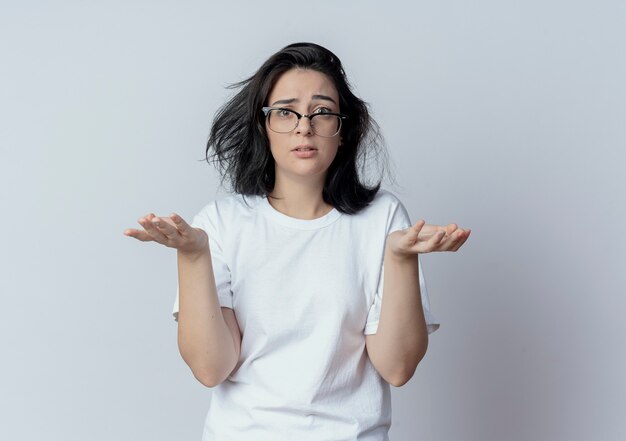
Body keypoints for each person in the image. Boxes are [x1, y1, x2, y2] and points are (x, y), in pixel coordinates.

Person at [124, 42, 470, 441]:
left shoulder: (383, 219)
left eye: (322, 112)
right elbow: (210, 368)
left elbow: (397, 367)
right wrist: (193, 256)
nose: (304, 126)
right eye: (285, 112)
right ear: (263, 125)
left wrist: (399, 258)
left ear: (343, 130)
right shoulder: (221, 222)